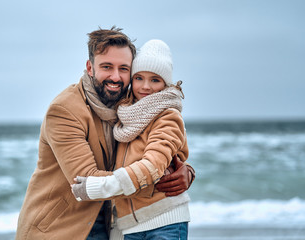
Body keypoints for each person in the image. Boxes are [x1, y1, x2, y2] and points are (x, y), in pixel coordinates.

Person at [15, 27, 194, 240]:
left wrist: (183, 171)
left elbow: (154, 143)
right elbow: (85, 180)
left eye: (124, 69)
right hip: (61, 228)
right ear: (90, 67)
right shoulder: (64, 110)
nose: (116, 77)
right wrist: (155, 179)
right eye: (107, 67)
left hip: (109, 225)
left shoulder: (129, 107)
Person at [71, 39, 191, 240]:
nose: (145, 87)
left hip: (165, 221)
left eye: (155, 80)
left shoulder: (167, 116)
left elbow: (153, 165)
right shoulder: (125, 114)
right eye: (139, 78)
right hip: (130, 226)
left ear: (165, 84)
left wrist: (97, 187)